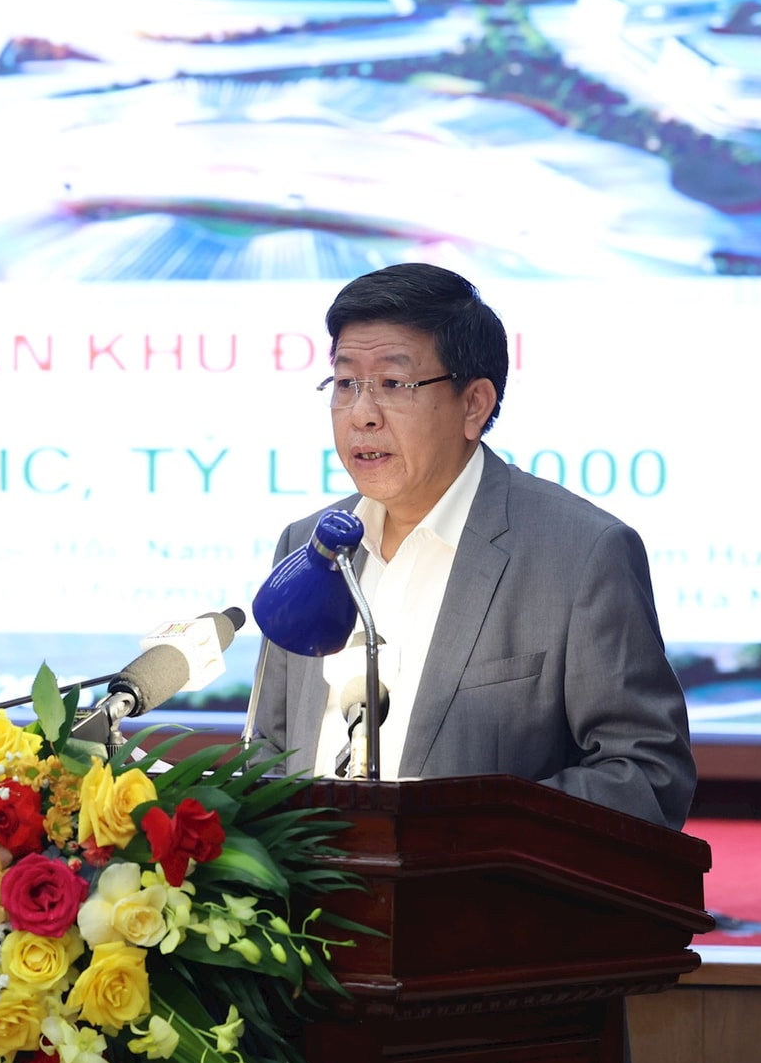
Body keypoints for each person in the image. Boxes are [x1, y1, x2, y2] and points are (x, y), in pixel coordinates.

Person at [247, 263, 694, 830]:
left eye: (392, 384)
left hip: (481, 908)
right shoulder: (311, 544)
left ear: (474, 405)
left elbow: (647, 774)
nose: (361, 413)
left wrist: (477, 833)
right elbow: (270, 745)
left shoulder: (581, 554)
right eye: (345, 383)